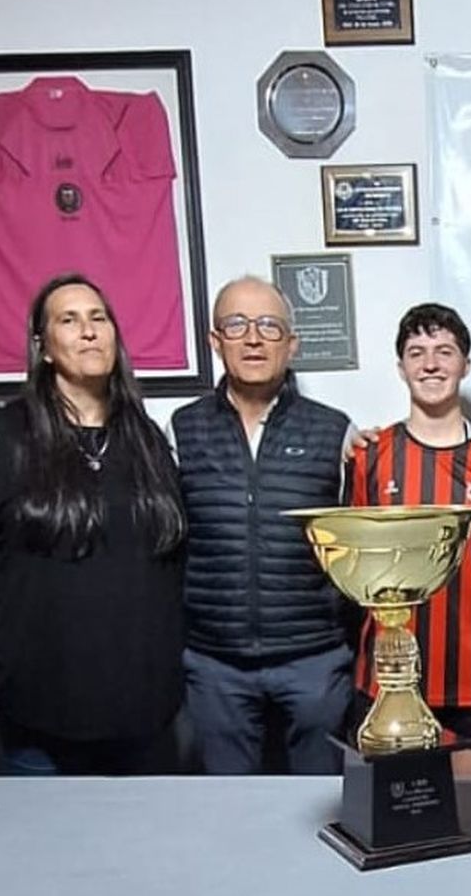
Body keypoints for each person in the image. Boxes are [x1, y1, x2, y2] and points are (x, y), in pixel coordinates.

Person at [0, 274, 186, 775]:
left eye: (99, 318)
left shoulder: (146, 440)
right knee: (45, 847)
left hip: (141, 707)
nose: (88, 331)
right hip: (37, 705)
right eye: (68, 321)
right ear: (44, 347)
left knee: (143, 845)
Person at [171, 276, 354, 775]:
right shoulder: (179, 430)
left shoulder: (336, 430)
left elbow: (358, 549)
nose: (253, 338)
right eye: (237, 324)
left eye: (269, 326)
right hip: (215, 663)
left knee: (327, 804)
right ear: (215, 340)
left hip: (314, 659)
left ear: (291, 344)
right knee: (229, 812)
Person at [347, 303, 471, 776]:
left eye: (445, 352)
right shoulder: (371, 456)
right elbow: (356, 557)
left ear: (466, 365)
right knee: (400, 820)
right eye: (417, 352)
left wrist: (470, 598)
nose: (431, 364)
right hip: (389, 669)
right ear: (401, 367)